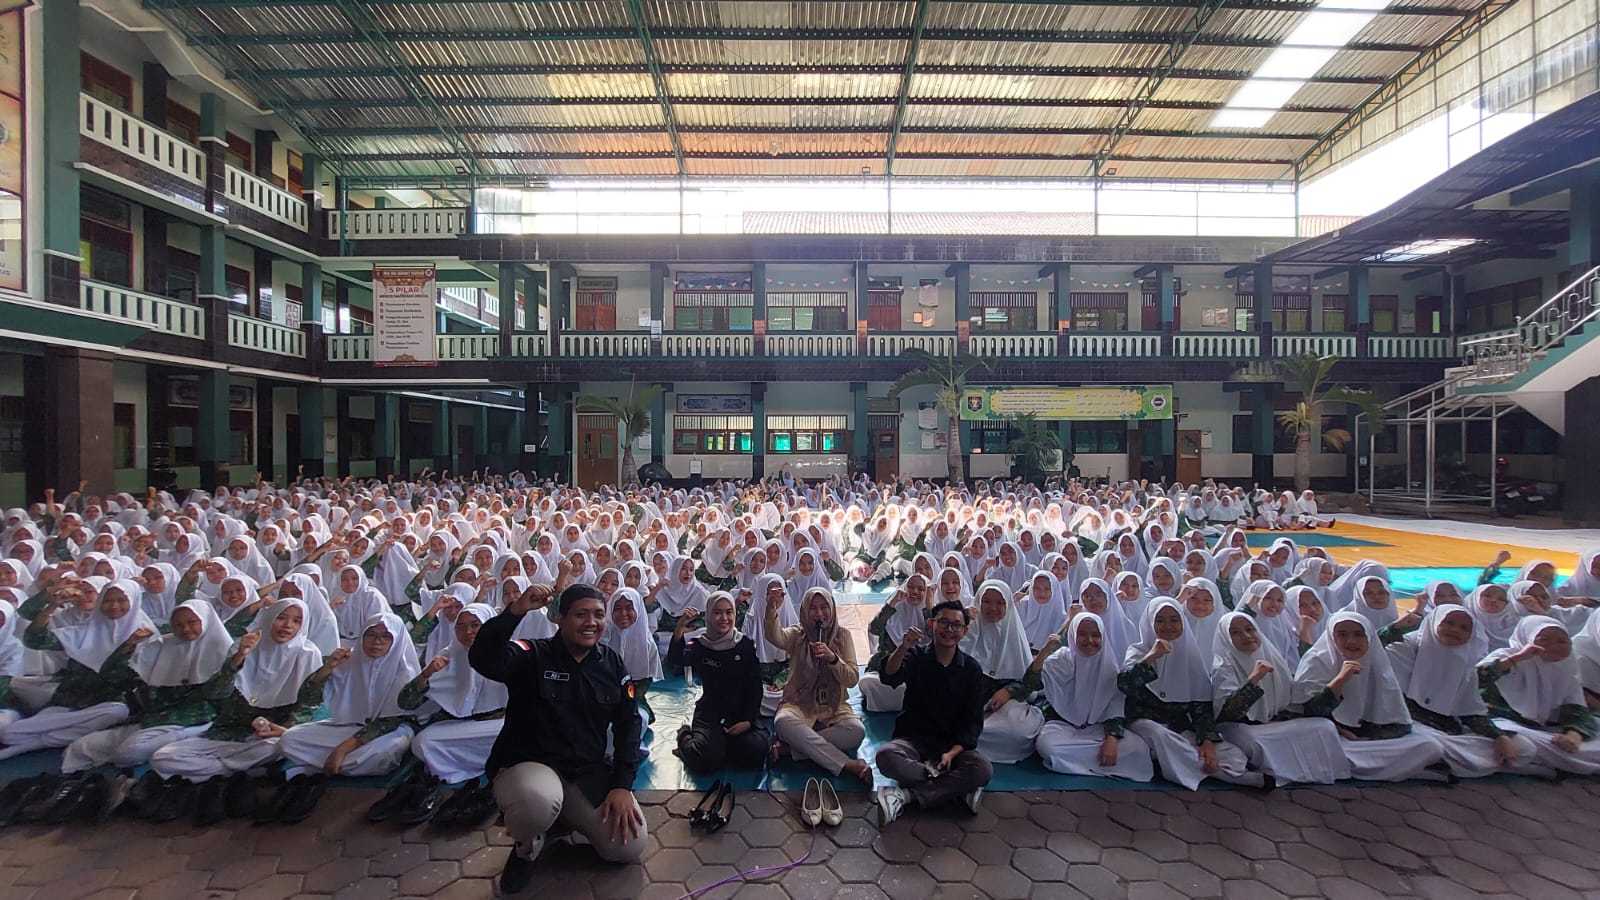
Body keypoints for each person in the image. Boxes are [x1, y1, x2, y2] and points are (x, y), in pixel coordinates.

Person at [467, 583, 646, 893]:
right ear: (560, 618)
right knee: (535, 803)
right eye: (581, 614)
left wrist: (622, 785)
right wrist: (515, 612)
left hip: (583, 773)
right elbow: (484, 658)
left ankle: (560, 822)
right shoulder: (532, 655)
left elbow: (628, 724)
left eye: (598, 615)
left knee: (628, 846)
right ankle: (527, 847)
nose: (591, 623)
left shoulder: (611, 663)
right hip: (530, 768)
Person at [874, 599, 993, 823]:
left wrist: (952, 753)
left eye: (956, 625)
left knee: (982, 769)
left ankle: (905, 796)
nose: (949, 629)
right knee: (886, 756)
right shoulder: (917, 657)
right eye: (943, 622)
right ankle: (956, 788)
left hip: (952, 748)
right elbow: (889, 676)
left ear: (964, 631)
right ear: (931, 624)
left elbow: (973, 723)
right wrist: (903, 647)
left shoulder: (971, 669)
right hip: (914, 742)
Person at [763, 586, 872, 786]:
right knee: (782, 722)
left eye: (824, 607)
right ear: (805, 611)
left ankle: (791, 750)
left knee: (856, 731)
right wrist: (772, 608)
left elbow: (852, 679)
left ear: (832, 608)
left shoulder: (843, 636)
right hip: (799, 703)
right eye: (813, 608)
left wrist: (833, 659)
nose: (819, 613)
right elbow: (774, 636)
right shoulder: (798, 635)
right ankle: (847, 765)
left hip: (834, 706)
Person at [1028, 613, 1154, 782]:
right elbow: (1031, 683)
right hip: (1061, 724)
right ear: (1073, 635)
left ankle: (1077, 761)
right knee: (1048, 747)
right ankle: (1100, 763)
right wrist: (1044, 651)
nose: (1089, 640)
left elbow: (1114, 707)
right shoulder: (1062, 659)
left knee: (1138, 748)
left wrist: (1111, 740)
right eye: (1082, 634)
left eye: (1095, 635)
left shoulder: (1108, 665)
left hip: (1097, 726)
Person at [668, 592, 768, 774]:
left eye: (729, 612)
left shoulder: (744, 645)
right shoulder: (700, 645)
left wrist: (748, 720)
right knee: (704, 759)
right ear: (708, 614)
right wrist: (680, 628)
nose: (724, 618)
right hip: (710, 713)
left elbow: (755, 687)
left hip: (740, 713)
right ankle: (684, 734)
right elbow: (676, 659)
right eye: (717, 612)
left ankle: (719, 744)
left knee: (757, 751)